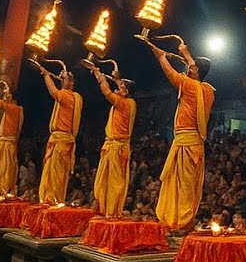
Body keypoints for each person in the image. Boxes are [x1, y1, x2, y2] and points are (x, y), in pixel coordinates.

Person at [143, 36, 214, 230]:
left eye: (189, 67)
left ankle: (184, 222)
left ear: (195, 70)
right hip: (189, 143)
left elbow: (171, 74)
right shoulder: (208, 90)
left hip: (187, 144)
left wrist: (161, 56)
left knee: (184, 185)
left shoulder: (193, 87)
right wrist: (185, 57)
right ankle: (176, 221)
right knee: (181, 184)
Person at [88, 66, 136, 215]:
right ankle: (103, 208)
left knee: (115, 182)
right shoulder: (127, 101)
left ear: (126, 92)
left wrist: (99, 76)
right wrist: (116, 79)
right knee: (104, 179)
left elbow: (107, 92)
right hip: (112, 146)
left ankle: (112, 212)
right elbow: (118, 88)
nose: (118, 87)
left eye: (121, 87)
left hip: (117, 148)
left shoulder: (125, 103)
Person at [36, 66, 82, 204]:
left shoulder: (70, 97)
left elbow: (53, 92)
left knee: (57, 175)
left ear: (71, 83)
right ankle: (46, 199)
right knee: (49, 172)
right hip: (56, 140)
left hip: (62, 141)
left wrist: (46, 75)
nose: (62, 79)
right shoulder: (64, 94)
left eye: (66, 78)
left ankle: (54, 200)